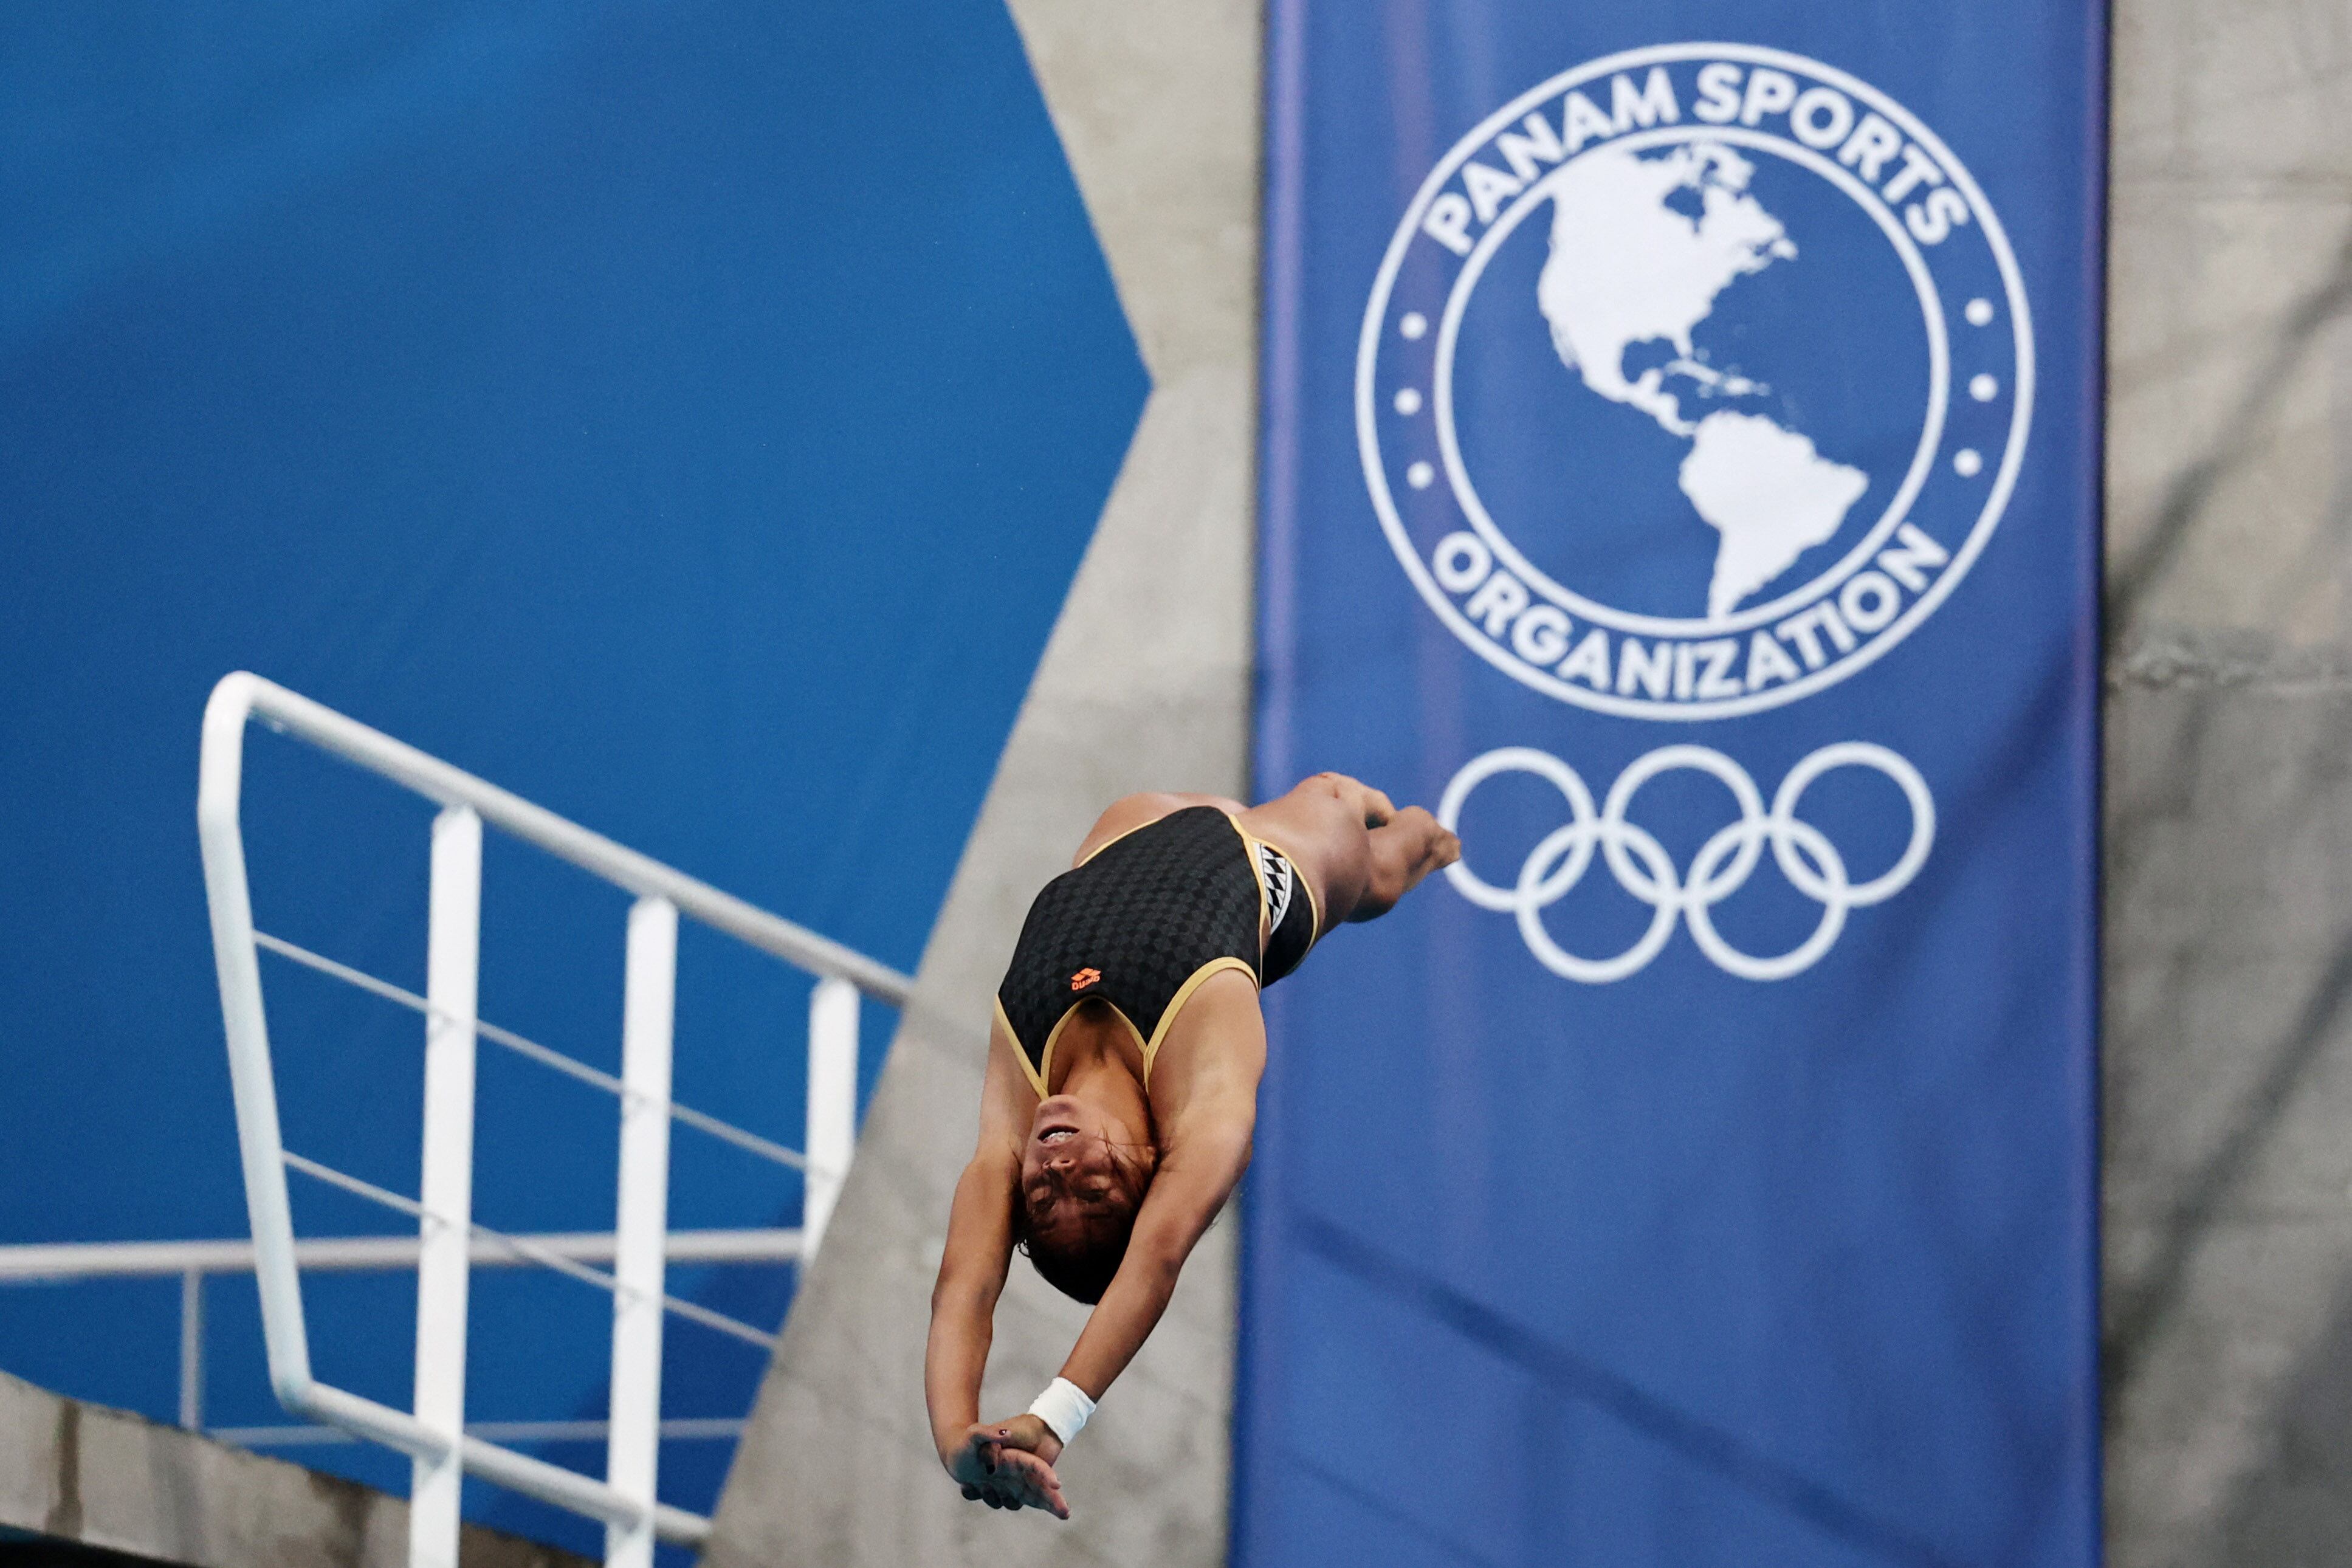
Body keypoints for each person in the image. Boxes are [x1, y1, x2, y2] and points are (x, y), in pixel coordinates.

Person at [923, 772, 1460, 1518]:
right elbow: (1158, 1258)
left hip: (1129, 831)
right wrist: (1058, 1415)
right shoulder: (1203, 1099)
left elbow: (964, 1288)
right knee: (1359, 843)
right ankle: (1426, 841)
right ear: (1149, 1171)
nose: (1058, 1166)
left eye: (1043, 1195)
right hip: (1275, 860)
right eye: (1092, 1189)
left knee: (1250, 815)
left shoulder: (1016, 1109)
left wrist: (955, 1437)